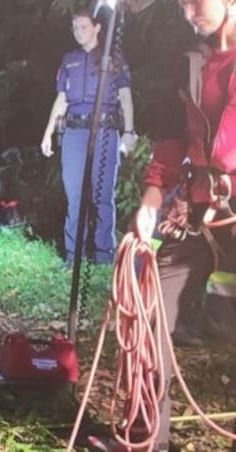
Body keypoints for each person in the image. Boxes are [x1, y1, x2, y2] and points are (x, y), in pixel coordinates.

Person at [132, 0, 236, 449]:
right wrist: (152, 201)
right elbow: (174, 138)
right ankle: (146, 436)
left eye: (197, 0)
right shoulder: (192, 62)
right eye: (180, 2)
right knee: (149, 302)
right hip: (200, 210)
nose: (187, 10)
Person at [41, 9, 137, 265]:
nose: (78, 32)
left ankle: (105, 255)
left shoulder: (112, 57)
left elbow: (125, 96)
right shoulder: (69, 59)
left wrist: (129, 131)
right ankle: (74, 256)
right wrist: (48, 132)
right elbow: (61, 99)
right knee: (75, 197)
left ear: (96, 28)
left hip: (105, 133)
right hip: (74, 134)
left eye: (83, 26)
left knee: (102, 197)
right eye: (74, 27)